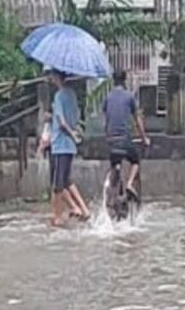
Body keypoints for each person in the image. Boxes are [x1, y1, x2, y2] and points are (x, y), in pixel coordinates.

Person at [44, 70, 91, 227]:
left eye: (52, 76)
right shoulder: (72, 95)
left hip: (60, 145)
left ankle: (58, 216)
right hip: (69, 147)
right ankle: (82, 209)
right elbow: (74, 118)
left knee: (57, 183)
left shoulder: (59, 96)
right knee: (66, 180)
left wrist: (71, 134)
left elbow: (62, 122)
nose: (50, 79)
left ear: (57, 77)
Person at [98, 65, 151, 202]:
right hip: (125, 140)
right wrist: (144, 138)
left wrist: (108, 136)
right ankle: (129, 184)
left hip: (112, 141)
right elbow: (137, 121)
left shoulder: (108, 98)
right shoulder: (129, 97)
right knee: (135, 161)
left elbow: (105, 121)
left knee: (115, 163)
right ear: (125, 81)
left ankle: (111, 193)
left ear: (113, 81)